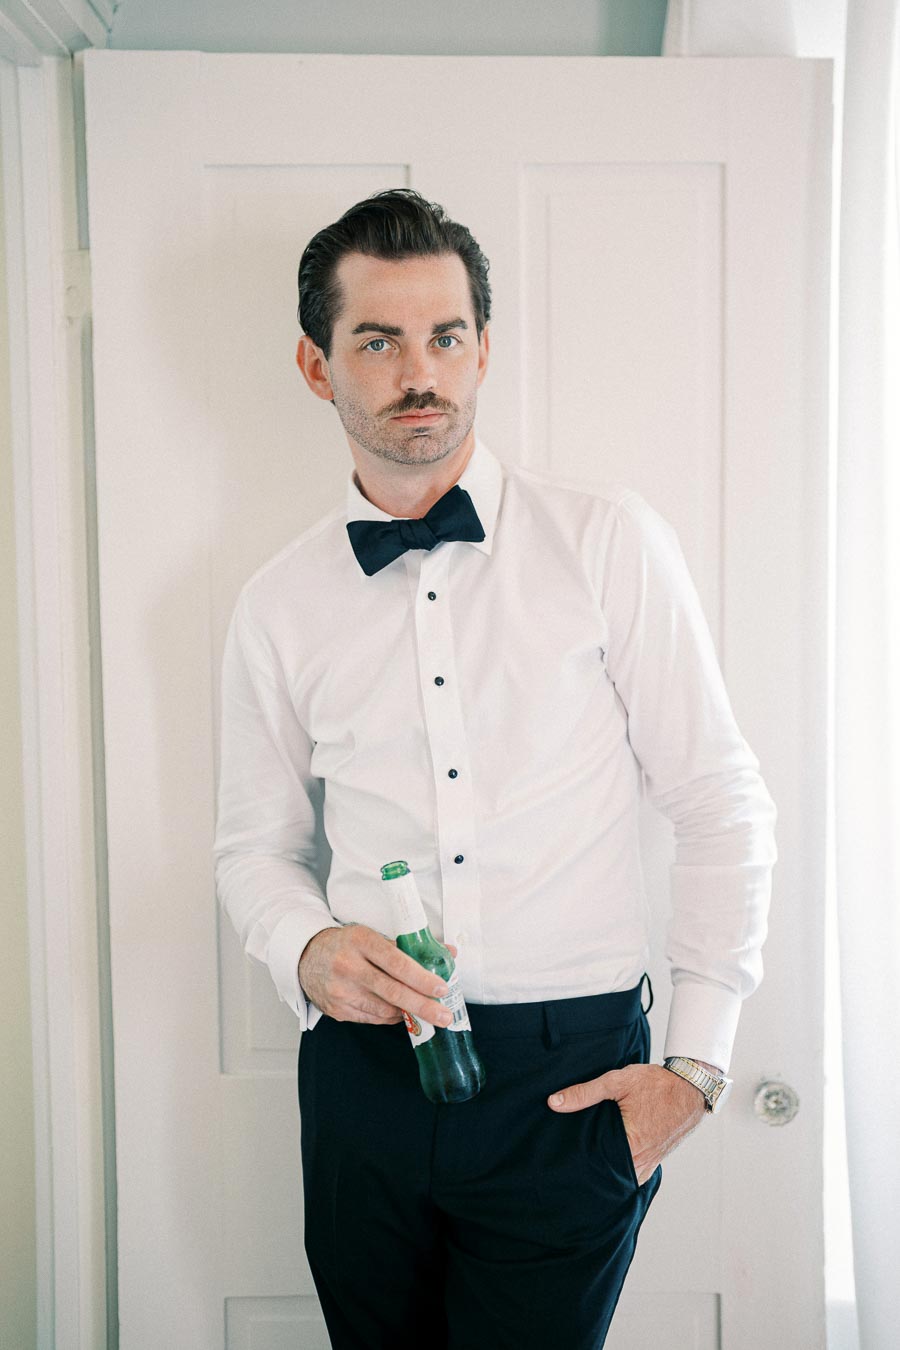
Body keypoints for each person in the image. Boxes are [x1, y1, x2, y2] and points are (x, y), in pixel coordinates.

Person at [213, 188, 777, 1349]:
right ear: (319, 367)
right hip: (365, 1078)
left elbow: (720, 801)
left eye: (447, 336)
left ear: (484, 350)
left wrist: (699, 1068)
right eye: (379, 340)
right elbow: (255, 849)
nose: (421, 370)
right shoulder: (275, 604)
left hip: (572, 1087)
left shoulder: (608, 540)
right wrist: (305, 947)